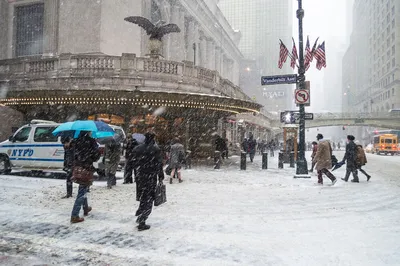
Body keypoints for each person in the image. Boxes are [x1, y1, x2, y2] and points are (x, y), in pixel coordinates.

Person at [132, 132, 164, 231]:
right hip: (151, 176)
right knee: (149, 198)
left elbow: (133, 161)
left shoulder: (138, 148)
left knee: (143, 195)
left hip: (141, 176)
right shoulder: (155, 149)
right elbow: (159, 164)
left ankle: (140, 212)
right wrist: (160, 176)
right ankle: (142, 219)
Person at [70, 131, 100, 223]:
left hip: (78, 167)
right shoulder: (91, 141)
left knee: (83, 187)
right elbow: (95, 156)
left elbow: (72, 154)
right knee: (82, 190)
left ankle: (85, 207)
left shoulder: (76, 141)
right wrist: (96, 152)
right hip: (86, 168)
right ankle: (74, 215)